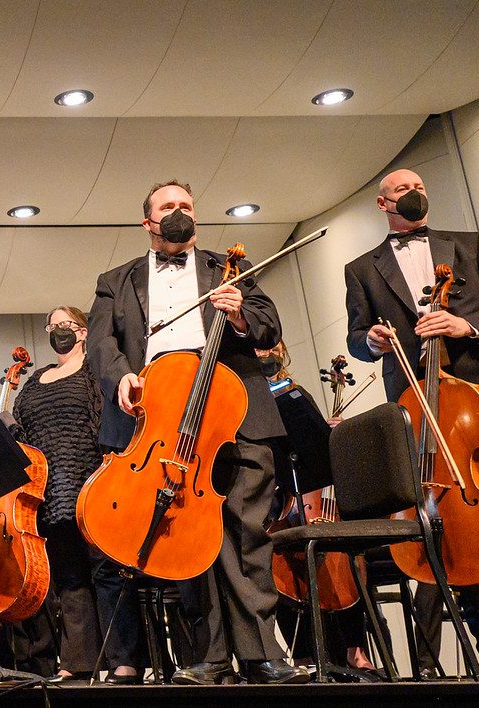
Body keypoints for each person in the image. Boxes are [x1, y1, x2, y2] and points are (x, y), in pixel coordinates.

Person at [344, 168, 479, 680]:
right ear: (383, 203)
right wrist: (371, 341)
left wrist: (466, 324)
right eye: (402, 189)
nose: (414, 193)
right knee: (459, 529)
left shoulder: (470, 243)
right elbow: (358, 336)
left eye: (419, 185)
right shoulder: (362, 269)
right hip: (429, 408)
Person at [87, 180, 306, 685]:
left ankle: (262, 654)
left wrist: (240, 314)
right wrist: (121, 374)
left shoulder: (227, 269)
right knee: (186, 537)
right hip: (160, 417)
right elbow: (100, 343)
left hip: (233, 413)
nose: (179, 212)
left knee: (247, 532)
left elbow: (269, 326)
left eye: (186, 205)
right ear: (148, 221)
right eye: (168, 207)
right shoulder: (114, 281)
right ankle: (209, 657)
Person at [9, 307, 126, 683]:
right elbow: (22, 425)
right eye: (53, 326)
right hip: (49, 488)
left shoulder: (95, 369)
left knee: (107, 572)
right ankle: (79, 661)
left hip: (94, 481)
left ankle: (123, 658)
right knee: (70, 577)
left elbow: (111, 419)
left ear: (84, 331)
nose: (59, 331)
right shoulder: (37, 378)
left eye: (67, 325)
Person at [255, 341, 376, 676]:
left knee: (341, 547)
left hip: (317, 498)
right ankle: (304, 652)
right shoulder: (253, 404)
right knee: (273, 555)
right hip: (284, 502)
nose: (265, 354)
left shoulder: (297, 396)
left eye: (271, 348)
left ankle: (356, 646)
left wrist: (332, 435)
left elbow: (318, 453)